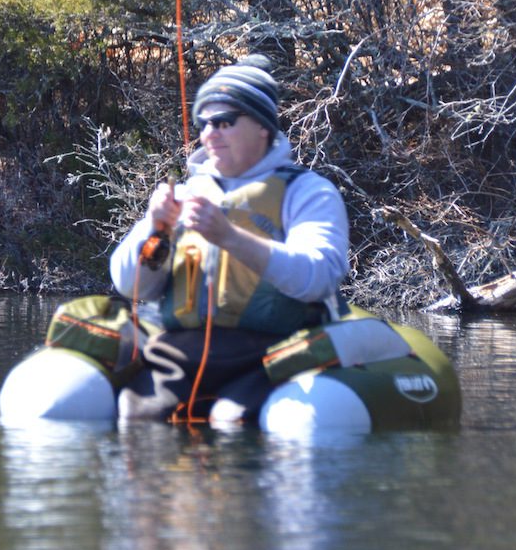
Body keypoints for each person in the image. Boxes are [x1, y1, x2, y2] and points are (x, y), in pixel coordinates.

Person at [110, 55, 350, 426]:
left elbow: (320, 276)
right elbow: (130, 285)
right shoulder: (185, 194)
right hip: (180, 354)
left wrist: (230, 237)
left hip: (273, 355)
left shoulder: (308, 192)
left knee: (231, 421)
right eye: (204, 123)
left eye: (224, 122)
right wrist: (155, 229)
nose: (210, 134)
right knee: (136, 414)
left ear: (263, 127)